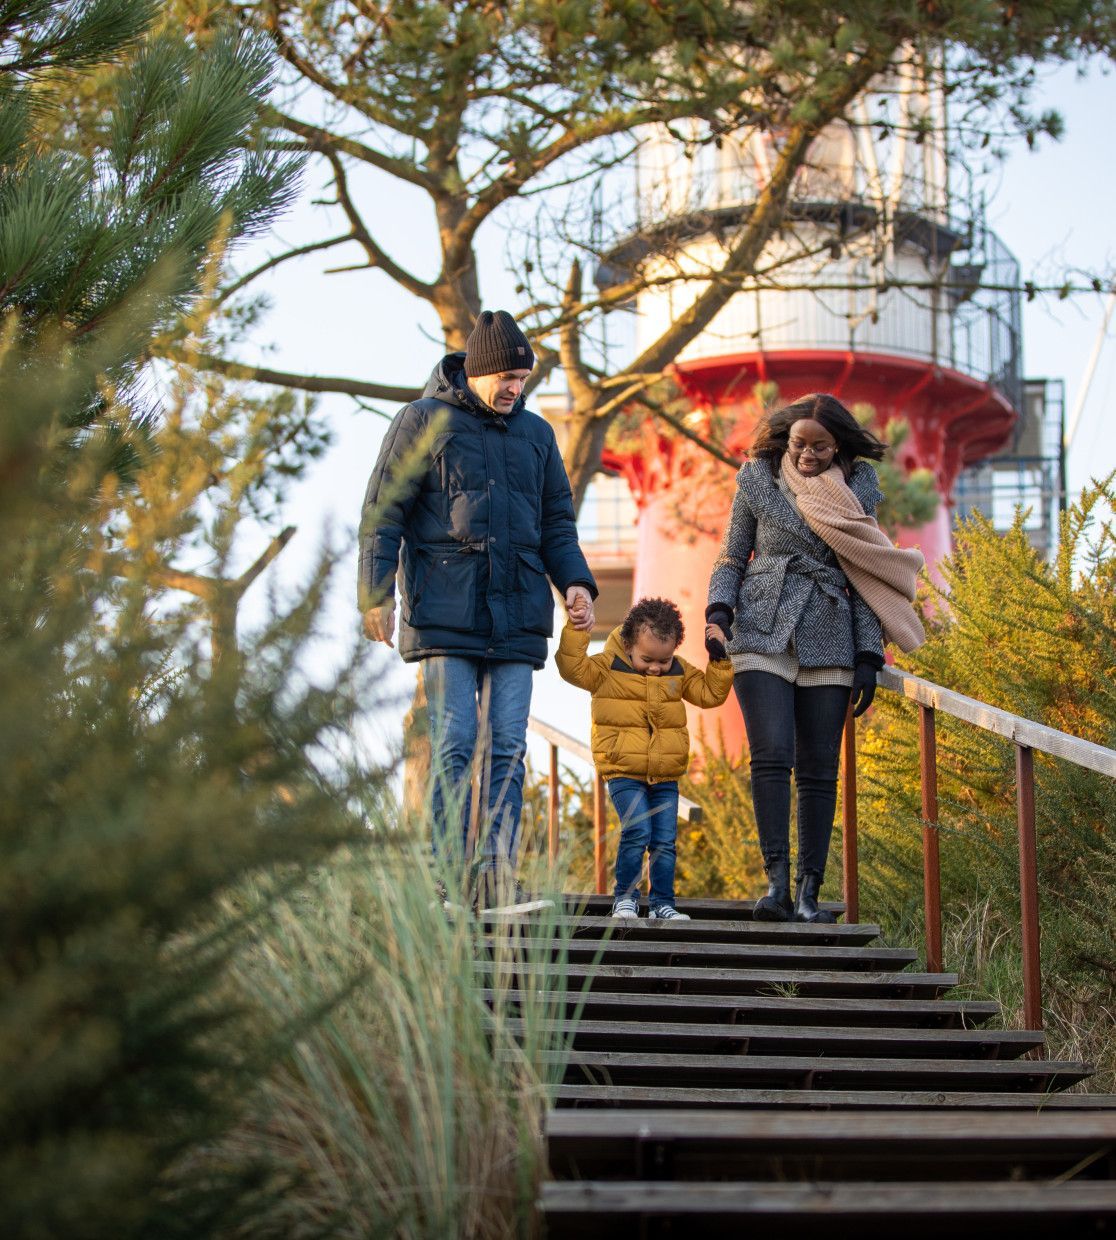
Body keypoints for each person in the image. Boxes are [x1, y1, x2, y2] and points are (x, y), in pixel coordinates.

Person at [359, 310, 597, 908]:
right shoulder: (423, 421)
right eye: (508, 376)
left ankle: (493, 875)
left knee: (509, 748)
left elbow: (556, 525)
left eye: (525, 376)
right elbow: (384, 510)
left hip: (516, 614)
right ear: (477, 371)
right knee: (456, 742)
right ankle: (440, 874)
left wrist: (575, 582)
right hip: (446, 611)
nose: (517, 387)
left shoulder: (537, 436)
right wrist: (375, 593)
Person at [706, 393, 925, 923]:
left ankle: (809, 893)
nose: (807, 454)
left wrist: (870, 652)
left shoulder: (858, 489)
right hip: (761, 624)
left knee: (819, 769)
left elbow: (864, 569)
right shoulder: (757, 478)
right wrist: (718, 610)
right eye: (799, 443)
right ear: (787, 438)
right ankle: (776, 886)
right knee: (772, 754)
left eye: (820, 446)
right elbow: (734, 554)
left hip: (830, 626)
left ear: (839, 446)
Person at [556, 596, 732, 920]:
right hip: (623, 770)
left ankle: (663, 904)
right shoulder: (606, 667)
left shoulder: (678, 672)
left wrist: (719, 659)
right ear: (628, 644)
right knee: (638, 831)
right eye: (648, 658)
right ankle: (625, 899)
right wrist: (577, 629)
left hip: (664, 774)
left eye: (664, 661)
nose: (656, 667)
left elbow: (710, 693)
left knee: (665, 840)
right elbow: (572, 667)